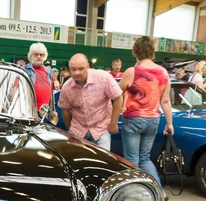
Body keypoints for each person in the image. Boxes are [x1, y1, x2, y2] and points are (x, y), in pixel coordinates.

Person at [118, 36, 173, 191]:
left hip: (133, 119)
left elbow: (116, 92)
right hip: (153, 120)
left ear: (135, 51)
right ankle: (158, 192)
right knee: (145, 159)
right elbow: (166, 101)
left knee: (131, 159)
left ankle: (134, 194)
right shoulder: (163, 73)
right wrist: (169, 124)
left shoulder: (132, 71)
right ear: (153, 51)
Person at [58, 53, 123, 151]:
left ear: (88, 67)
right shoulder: (66, 87)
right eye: (73, 69)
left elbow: (118, 97)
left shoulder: (103, 78)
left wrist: (113, 123)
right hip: (77, 129)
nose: (76, 72)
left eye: (81, 69)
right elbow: (65, 110)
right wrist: (69, 129)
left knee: (102, 162)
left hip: (101, 128)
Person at [23, 43, 57, 122]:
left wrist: (53, 110)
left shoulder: (49, 72)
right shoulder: (24, 70)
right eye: (36, 54)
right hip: (29, 111)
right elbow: (16, 89)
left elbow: (52, 93)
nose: (39, 57)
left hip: (46, 112)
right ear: (31, 56)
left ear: (44, 57)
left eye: (41, 55)